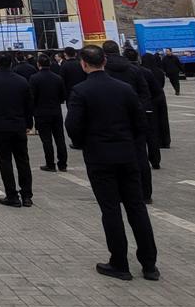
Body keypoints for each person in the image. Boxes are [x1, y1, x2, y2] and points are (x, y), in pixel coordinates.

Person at [65, 45, 159, 281]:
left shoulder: (81, 91)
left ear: (83, 64)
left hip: (99, 157)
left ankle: (119, 262)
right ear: (104, 61)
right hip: (127, 155)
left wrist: (85, 142)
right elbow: (140, 122)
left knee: (110, 209)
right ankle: (149, 264)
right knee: (137, 207)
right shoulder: (125, 89)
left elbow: (73, 126)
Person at [0, 51, 35, 207]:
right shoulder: (22, 81)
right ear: (11, 63)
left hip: (0, 126)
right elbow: (28, 105)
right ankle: (27, 195)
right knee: (23, 160)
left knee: (5, 161)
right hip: (19, 125)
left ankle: (11, 195)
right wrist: (29, 124)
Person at [30, 55, 68, 173]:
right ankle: (63, 164)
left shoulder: (34, 78)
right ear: (50, 64)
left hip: (41, 112)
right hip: (56, 111)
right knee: (60, 138)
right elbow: (63, 96)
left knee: (46, 140)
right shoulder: (58, 78)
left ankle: (50, 164)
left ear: (38, 64)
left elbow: (32, 97)